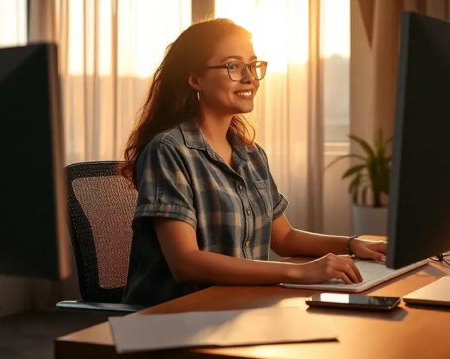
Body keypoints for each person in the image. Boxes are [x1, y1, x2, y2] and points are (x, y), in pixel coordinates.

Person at [121, 18, 387, 307]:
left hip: (239, 306)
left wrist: (352, 245)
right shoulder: (169, 150)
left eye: (253, 65)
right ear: (195, 78)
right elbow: (186, 262)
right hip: (176, 316)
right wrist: (298, 272)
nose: (250, 77)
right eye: (233, 66)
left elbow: (283, 237)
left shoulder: (251, 154)